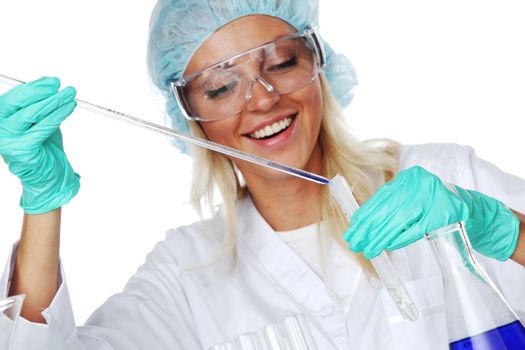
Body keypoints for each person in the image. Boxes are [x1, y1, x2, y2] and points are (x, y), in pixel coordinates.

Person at [1, 0, 524, 349]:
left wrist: (498, 226)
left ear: (318, 62)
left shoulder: (445, 178)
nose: (263, 99)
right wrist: (43, 203)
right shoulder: (185, 275)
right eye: (221, 87)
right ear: (190, 118)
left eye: (279, 63)